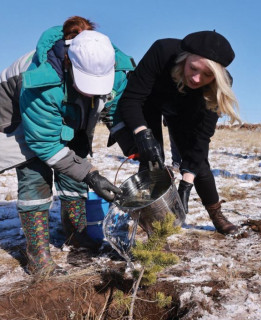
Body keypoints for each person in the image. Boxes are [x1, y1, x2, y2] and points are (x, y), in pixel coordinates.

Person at [0, 17, 135, 275]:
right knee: (35, 173)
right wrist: (92, 176)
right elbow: (44, 144)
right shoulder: (42, 80)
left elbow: (115, 109)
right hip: (15, 116)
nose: (92, 93)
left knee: (77, 160)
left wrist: (133, 146)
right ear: (69, 63)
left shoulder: (114, 67)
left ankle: (75, 234)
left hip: (68, 112)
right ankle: (38, 258)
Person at [118, 31, 240, 235]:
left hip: (187, 110)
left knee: (199, 164)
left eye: (207, 75)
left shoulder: (216, 88)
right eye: (193, 68)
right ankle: (156, 227)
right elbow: (131, 99)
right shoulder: (162, 52)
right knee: (151, 159)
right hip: (151, 101)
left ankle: (216, 213)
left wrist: (186, 183)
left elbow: (202, 138)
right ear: (185, 58)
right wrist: (142, 134)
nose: (196, 78)